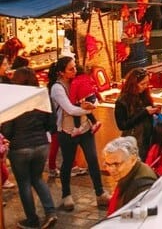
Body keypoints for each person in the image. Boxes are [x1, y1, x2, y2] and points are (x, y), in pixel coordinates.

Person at [48, 57, 109, 211]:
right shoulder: (57, 88)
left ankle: (100, 193)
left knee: (93, 159)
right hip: (67, 131)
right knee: (68, 162)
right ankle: (66, 195)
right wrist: (89, 109)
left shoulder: (80, 80)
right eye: (71, 69)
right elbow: (70, 109)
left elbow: (92, 97)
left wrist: (92, 104)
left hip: (85, 127)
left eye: (75, 67)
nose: (75, 71)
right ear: (61, 72)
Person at [2, 68, 57, 229]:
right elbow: (51, 123)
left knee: (24, 183)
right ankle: (50, 212)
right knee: (38, 178)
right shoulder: (42, 96)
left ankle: (32, 219)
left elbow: (7, 129)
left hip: (20, 148)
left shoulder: (14, 99)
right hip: (41, 144)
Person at [103, 136, 158, 217]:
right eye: (108, 164)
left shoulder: (143, 186)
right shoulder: (128, 174)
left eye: (116, 164)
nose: (111, 169)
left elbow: (143, 218)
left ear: (132, 159)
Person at [115, 68, 161, 161]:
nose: (145, 86)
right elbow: (122, 125)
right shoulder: (122, 101)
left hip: (148, 139)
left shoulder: (144, 96)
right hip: (134, 142)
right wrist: (144, 113)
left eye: (147, 83)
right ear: (133, 84)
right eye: (142, 84)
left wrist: (154, 110)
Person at [69, 65, 102, 135]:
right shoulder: (87, 77)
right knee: (87, 110)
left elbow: (73, 93)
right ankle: (95, 122)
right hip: (93, 97)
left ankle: (77, 128)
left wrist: (72, 103)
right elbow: (94, 87)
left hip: (87, 99)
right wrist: (99, 97)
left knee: (76, 109)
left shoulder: (75, 81)